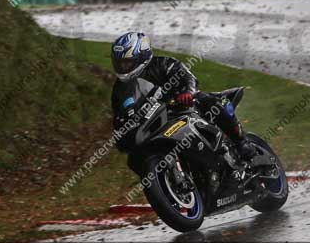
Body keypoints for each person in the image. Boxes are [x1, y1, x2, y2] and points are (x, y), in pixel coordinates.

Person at [109, 31, 255, 161]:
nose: (122, 67)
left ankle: (242, 142)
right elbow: (119, 114)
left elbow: (188, 77)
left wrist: (187, 92)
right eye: (119, 63)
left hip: (184, 105)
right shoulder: (119, 89)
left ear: (141, 56)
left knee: (216, 104)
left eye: (126, 63)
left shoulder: (162, 64)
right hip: (156, 122)